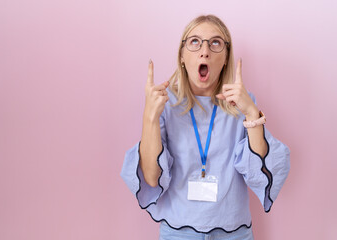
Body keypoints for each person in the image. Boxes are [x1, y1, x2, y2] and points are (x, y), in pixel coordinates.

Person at [121, 14, 290, 240]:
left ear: (225, 58)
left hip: (234, 232)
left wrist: (251, 113)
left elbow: (261, 173)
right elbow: (152, 178)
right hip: (178, 232)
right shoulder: (165, 104)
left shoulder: (242, 103)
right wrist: (150, 116)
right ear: (182, 55)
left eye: (215, 43)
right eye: (194, 42)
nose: (205, 51)